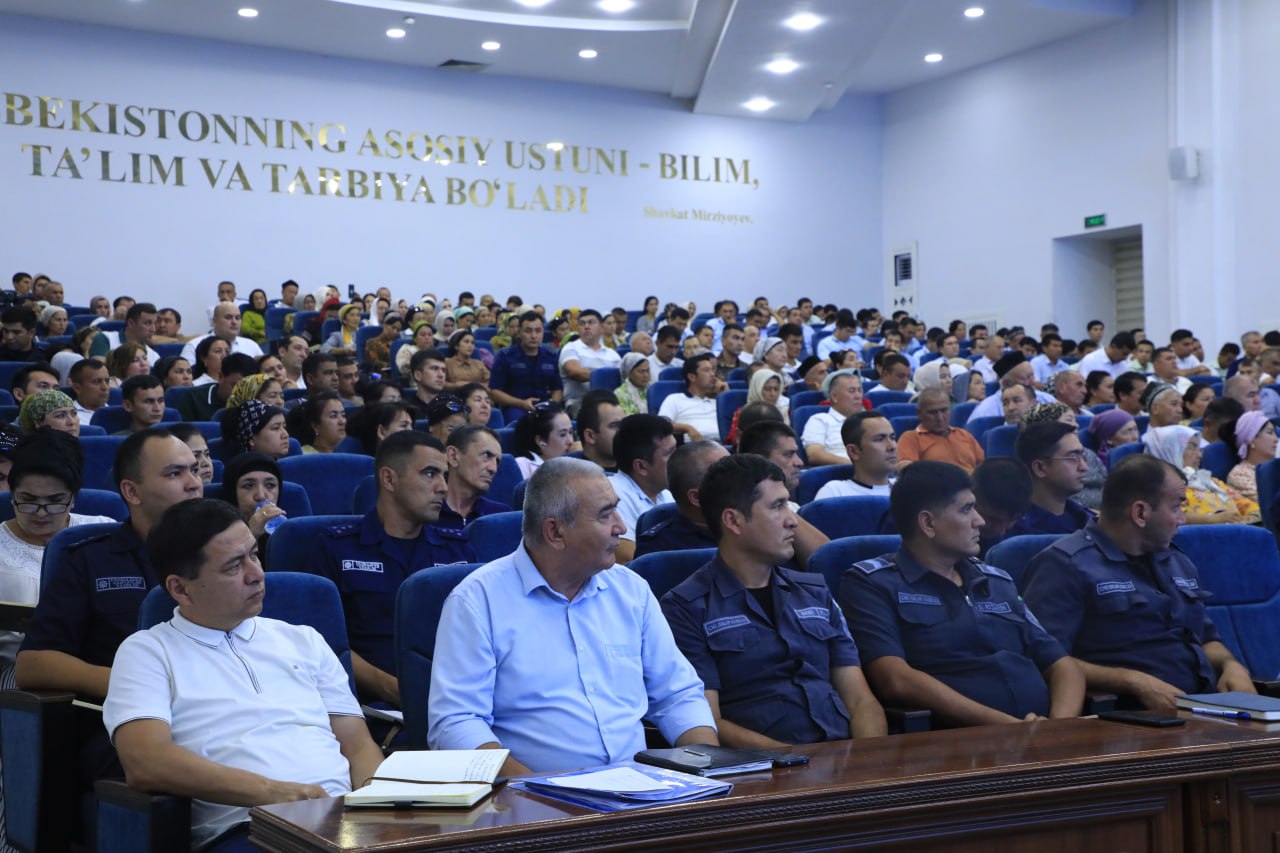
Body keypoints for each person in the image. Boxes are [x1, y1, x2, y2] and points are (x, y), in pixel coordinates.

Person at [102, 499, 383, 853]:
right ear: (180, 589)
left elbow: (358, 746)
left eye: (254, 555)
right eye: (234, 566)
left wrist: (378, 806)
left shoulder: (304, 639)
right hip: (248, 829)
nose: (256, 574)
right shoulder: (148, 651)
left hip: (344, 823)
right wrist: (275, 793)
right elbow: (146, 762)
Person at [428, 457, 718, 775]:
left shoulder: (630, 590)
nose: (622, 527)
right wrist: (538, 791)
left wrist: (708, 769)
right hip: (532, 796)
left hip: (639, 788)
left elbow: (678, 694)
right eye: (605, 515)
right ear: (555, 532)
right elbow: (457, 723)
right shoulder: (477, 601)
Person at [16, 429, 202, 789]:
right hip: (127, 726)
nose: (194, 483)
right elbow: (33, 664)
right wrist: (137, 685)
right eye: (175, 473)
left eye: (194, 470)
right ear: (132, 492)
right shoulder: (89, 558)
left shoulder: (224, 557)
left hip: (220, 712)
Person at [661, 454, 886, 747]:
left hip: (845, 757)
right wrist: (798, 762)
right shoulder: (686, 607)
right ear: (733, 521)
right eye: (777, 507)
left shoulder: (815, 591)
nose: (792, 521)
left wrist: (867, 759)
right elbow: (707, 722)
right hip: (765, 767)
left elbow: (860, 700)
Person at [839, 461, 1084, 726]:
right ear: (928, 523)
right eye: (967, 509)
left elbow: (1061, 664)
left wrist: (1058, 726)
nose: (980, 521)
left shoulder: (997, 580)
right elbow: (894, 679)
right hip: (958, 739)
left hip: (1043, 731)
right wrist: (1009, 727)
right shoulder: (873, 584)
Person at [1021, 455, 1255, 712]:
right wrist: (1131, 681)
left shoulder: (1176, 560)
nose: (1182, 519)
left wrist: (1232, 666)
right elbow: (1044, 658)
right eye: (1176, 507)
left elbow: (1207, 640)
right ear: (1140, 513)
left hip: (1204, 707)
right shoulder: (1065, 564)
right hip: (1129, 715)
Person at [311, 431, 464, 719]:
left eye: (445, 476)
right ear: (389, 479)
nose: (443, 487)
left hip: (455, 701)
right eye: (430, 473)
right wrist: (393, 689)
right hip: (372, 708)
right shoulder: (336, 547)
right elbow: (322, 643)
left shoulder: (458, 549)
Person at [1143, 425, 1259, 524]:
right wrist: (1212, 519)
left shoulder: (1211, 482)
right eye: (1191, 447)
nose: (1199, 455)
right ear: (1171, 450)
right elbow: (1172, 517)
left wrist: (1251, 517)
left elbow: (1248, 506)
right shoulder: (1163, 489)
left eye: (1199, 449)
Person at [635, 440, 729, 557]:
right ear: (697, 497)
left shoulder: (746, 527)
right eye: (729, 476)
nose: (741, 480)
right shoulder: (659, 551)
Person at [610, 414, 676, 563]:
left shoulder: (666, 494)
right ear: (641, 466)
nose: (679, 459)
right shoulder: (613, 496)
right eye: (670, 453)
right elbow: (629, 558)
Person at [1010, 421, 1092, 535]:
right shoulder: (1013, 529)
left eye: (1082, 456)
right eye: (1073, 457)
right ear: (1040, 468)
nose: (1084, 467)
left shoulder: (1086, 518)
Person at [433, 425, 507, 542]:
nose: (493, 469)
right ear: (453, 456)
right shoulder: (422, 514)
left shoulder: (502, 516)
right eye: (486, 456)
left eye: (497, 461)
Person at [490, 310, 564, 420]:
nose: (534, 336)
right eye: (528, 331)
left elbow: (557, 389)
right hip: (515, 407)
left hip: (543, 407)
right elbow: (494, 392)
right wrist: (521, 403)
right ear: (519, 332)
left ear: (543, 332)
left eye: (538, 331)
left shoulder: (550, 356)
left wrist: (552, 404)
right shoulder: (505, 356)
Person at [219, 452, 289, 557]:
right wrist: (251, 533)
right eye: (248, 486)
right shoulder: (217, 536)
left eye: (270, 485)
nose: (261, 496)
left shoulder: (289, 531)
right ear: (232, 493)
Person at [815, 411, 898, 500]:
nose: (892, 446)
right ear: (853, 451)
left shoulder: (906, 488)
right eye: (879, 439)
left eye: (892, 438)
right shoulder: (834, 493)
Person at [897, 388, 984, 472]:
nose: (940, 418)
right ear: (919, 413)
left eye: (944, 410)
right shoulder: (911, 438)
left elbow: (983, 467)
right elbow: (906, 470)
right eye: (933, 412)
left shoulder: (964, 435)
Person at [557, 309, 621, 416]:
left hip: (609, 402)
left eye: (591, 322)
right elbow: (575, 373)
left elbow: (621, 379)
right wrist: (606, 376)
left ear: (601, 328)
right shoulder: (571, 348)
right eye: (582, 323)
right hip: (580, 403)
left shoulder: (613, 355)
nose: (586, 326)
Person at [802, 369, 867, 466]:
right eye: (852, 391)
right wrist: (857, 466)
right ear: (834, 396)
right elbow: (814, 455)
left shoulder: (867, 422)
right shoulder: (819, 420)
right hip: (840, 471)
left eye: (860, 390)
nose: (858, 396)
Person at [971, 457, 1033, 557]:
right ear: (971, 498)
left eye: (1011, 521)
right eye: (992, 519)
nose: (1000, 531)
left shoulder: (1032, 537)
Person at [658, 352, 720, 440]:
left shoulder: (716, 402)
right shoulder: (675, 399)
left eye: (712, 370)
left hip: (722, 443)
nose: (712, 374)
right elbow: (662, 423)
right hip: (692, 444)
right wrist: (687, 428)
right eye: (706, 370)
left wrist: (725, 393)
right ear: (692, 377)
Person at [179, 353, 257, 422]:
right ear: (220, 377)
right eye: (236, 385)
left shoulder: (256, 402)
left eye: (248, 388)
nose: (241, 393)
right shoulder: (193, 398)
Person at [181, 302, 263, 364]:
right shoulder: (194, 345)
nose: (234, 322)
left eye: (237, 318)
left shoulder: (251, 345)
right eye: (228, 317)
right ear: (214, 321)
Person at [511, 401, 574, 480]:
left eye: (571, 432)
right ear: (541, 441)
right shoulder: (521, 466)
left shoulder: (574, 461)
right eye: (562, 435)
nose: (570, 441)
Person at [1225, 410, 1277, 502]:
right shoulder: (1239, 475)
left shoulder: (1275, 467)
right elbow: (1268, 504)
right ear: (1252, 440)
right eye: (1270, 433)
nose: (1276, 439)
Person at [727, 369, 788, 444]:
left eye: (776, 389)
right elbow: (733, 440)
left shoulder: (784, 411)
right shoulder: (744, 413)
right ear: (757, 389)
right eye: (767, 389)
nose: (773, 394)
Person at [222, 399, 290, 459]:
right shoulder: (243, 469)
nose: (285, 435)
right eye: (275, 428)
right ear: (251, 439)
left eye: (284, 427)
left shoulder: (288, 466)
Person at [577, 389, 623, 472]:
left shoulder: (636, 471)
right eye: (614, 425)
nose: (624, 431)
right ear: (590, 436)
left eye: (623, 424)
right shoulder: (574, 478)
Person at [614, 351, 650, 416]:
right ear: (629, 372)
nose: (646, 375)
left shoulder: (651, 390)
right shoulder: (619, 394)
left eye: (647, 371)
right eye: (641, 371)